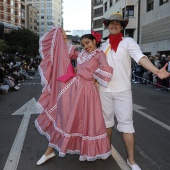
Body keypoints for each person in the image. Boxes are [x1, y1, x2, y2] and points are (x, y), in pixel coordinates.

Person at [99, 13, 170, 170]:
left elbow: (140, 57)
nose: (114, 25)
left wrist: (157, 71)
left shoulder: (128, 42)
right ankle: (106, 149)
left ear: (122, 26)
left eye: (118, 23)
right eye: (112, 23)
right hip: (103, 90)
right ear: (107, 25)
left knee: (127, 125)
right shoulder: (102, 46)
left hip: (123, 90)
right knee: (106, 123)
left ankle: (131, 160)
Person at [35, 27, 113, 165]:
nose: (86, 46)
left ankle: (97, 149)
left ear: (94, 41)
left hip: (88, 91)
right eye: (83, 45)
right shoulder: (81, 54)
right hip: (73, 88)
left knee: (87, 122)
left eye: (88, 43)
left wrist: (93, 75)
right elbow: (65, 50)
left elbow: (106, 69)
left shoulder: (99, 54)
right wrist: (63, 35)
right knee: (63, 117)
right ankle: (49, 151)